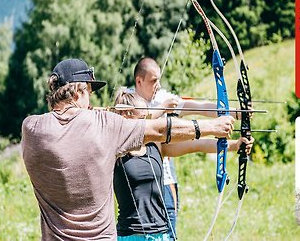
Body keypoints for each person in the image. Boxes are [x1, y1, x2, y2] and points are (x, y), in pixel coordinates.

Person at [21, 58, 235, 240]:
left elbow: (64, 122)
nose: (91, 101)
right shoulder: (103, 124)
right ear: (78, 92)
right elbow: (159, 130)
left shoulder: (31, 128)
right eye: (89, 93)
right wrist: (210, 126)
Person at [112, 90, 254, 241]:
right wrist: (162, 108)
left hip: (162, 234)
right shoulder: (115, 149)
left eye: (148, 116)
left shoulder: (156, 145)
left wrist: (235, 145)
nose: (147, 122)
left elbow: (197, 145)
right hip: (130, 236)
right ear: (126, 117)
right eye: (143, 117)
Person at [131, 57, 242, 240]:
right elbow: (134, 125)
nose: (157, 85)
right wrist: (162, 109)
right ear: (139, 81)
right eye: (153, 80)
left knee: (170, 233)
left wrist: (237, 113)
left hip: (165, 180)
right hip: (137, 185)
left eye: (159, 79)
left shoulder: (164, 97)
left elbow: (199, 107)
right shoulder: (128, 102)